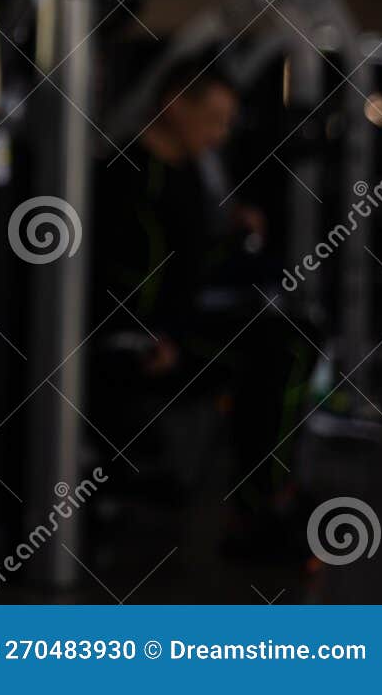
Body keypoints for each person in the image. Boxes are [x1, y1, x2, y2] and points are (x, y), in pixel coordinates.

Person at [91, 59, 312, 559]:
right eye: (212, 118)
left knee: (293, 336)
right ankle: (261, 508)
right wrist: (144, 339)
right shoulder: (129, 179)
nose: (219, 133)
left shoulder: (186, 173)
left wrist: (233, 233)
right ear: (173, 105)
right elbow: (115, 287)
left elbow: (187, 268)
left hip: (179, 324)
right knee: (283, 349)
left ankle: (264, 501)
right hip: (139, 344)